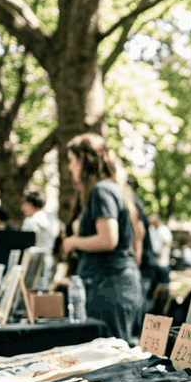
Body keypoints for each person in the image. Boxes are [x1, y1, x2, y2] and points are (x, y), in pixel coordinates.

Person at [61, 133, 142, 343]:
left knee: (110, 357)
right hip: (108, 286)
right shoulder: (109, 188)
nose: (70, 168)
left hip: (109, 289)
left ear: (85, 161)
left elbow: (108, 239)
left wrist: (72, 242)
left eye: (72, 161)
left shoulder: (101, 190)